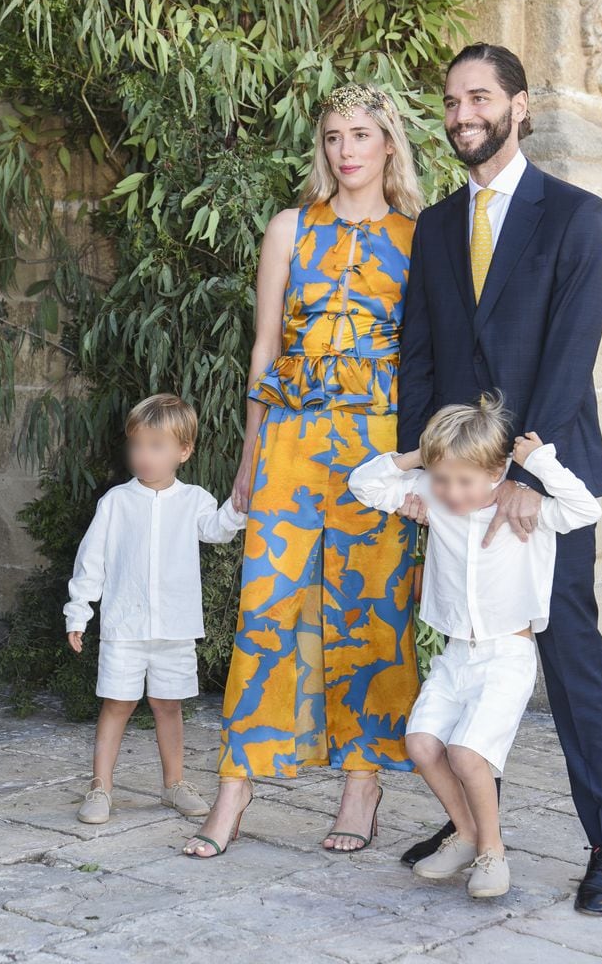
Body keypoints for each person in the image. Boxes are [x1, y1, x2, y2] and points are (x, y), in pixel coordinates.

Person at [396, 43, 602, 915]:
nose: (463, 113)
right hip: (457, 486)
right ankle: (466, 824)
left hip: (546, 480)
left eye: (480, 97)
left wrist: (531, 472)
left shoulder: (575, 214)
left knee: (571, 661)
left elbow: (571, 353)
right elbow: (418, 355)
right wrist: (422, 468)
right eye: (452, 100)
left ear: (519, 106)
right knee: (460, 649)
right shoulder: (433, 227)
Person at [183, 82, 422, 858]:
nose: (345, 150)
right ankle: (235, 789)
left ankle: (362, 785)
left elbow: (430, 361)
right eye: (332, 136)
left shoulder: (424, 238)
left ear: (389, 143)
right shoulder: (290, 228)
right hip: (290, 439)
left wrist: (420, 467)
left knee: (372, 614)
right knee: (269, 606)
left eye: (360, 134)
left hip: (377, 450)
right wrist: (249, 457)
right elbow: (264, 351)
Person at [349, 396, 602, 898]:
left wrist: (538, 464)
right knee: (421, 744)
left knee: (467, 753)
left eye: (464, 482)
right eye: (442, 479)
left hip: (505, 657)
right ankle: (463, 834)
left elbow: (585, 508)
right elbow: (364, 483)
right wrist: (418, 460)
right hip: (454, 656)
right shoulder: (436, 494)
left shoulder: (523, 512)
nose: (451, 492)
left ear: (496, 472)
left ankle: (492, 852)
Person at [65, 394, 246, 825]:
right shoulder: (116, 502)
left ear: (183, 451)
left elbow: (217, 530)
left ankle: (174, 784)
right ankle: (100, 786)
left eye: (156, 446)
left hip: (175, 628)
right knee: (117, 703)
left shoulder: (195, 499)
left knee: (169, 705)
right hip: (124, 628)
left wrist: (239, 505)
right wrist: (79, 612)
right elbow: (91, 561)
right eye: (137, 445)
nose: (143, 456)